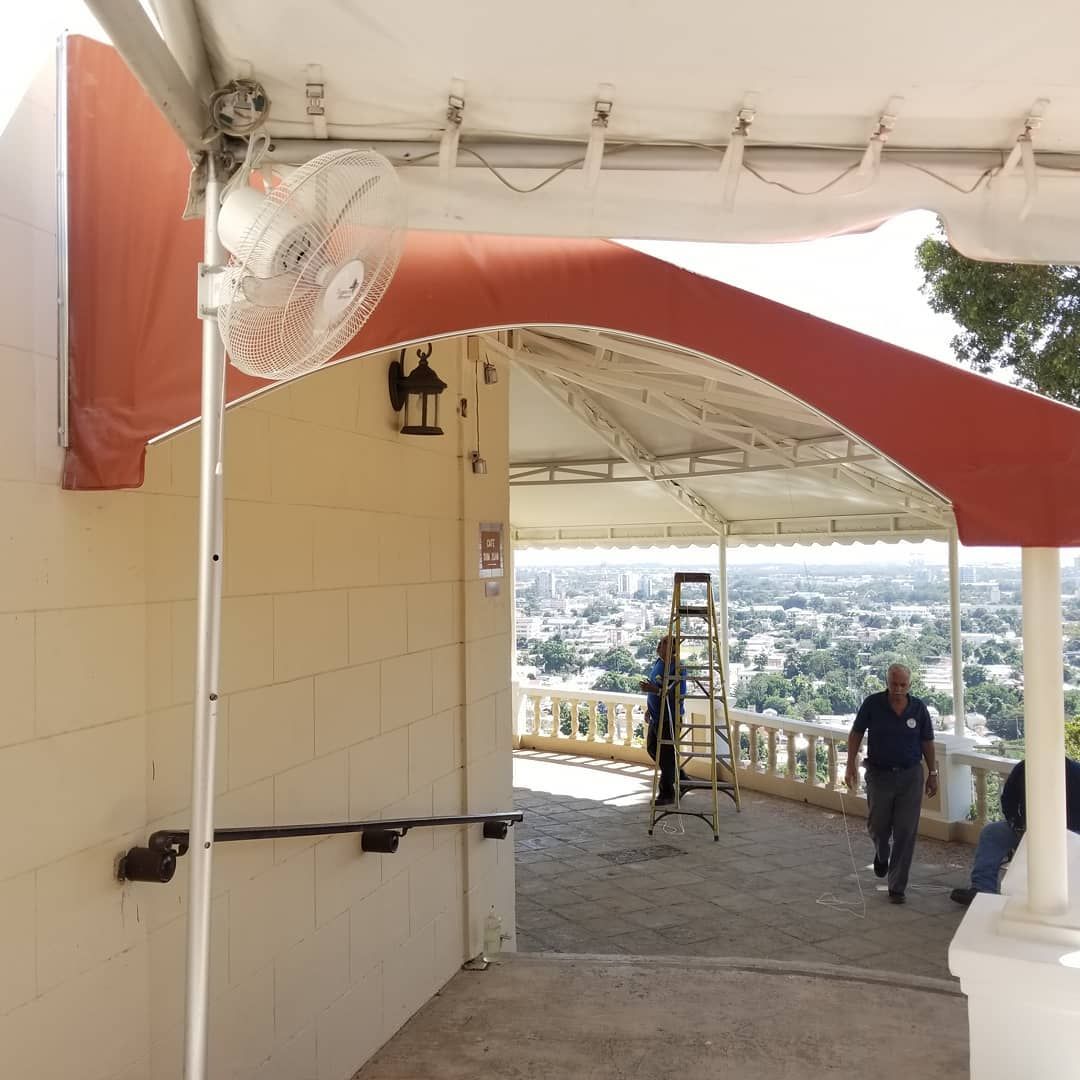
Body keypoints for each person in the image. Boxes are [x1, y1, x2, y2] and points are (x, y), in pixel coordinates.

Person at [844, 663, 937, 904]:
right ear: (887, 682)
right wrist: (850, 763)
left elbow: (927, 741)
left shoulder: (918, 708)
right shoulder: (873, 704)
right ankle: (881, 852)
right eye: (894, 684)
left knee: (906, 831)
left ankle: (897, 886)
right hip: (879, 774)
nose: (898, 689)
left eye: (902, 685)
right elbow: (856, 733)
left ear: (910, 685)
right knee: (877, 825)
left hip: (910, 775)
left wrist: (933, 772)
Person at [950, 757, 1080, 905]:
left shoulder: (1075, 774)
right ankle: (982, 890)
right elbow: (1008, 799)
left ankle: (1064, 897)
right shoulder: (1024, 767)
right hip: (1026, 828)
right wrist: (1016, 823)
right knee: (991, 833)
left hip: (1068, 833)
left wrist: (1062, 833)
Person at [640, 635, 689, 806]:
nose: (660, 645)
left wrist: (653, 689)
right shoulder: (658, 663)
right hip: (657, 716)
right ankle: (681, 777)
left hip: (670, 718)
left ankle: (667, 792)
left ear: (674, 648)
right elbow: (656, 688)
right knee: (653, 749)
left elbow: (676, 694)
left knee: (666, 754)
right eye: (660, 642)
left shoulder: (678, 668)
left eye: (665, 643)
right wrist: (649, 707)